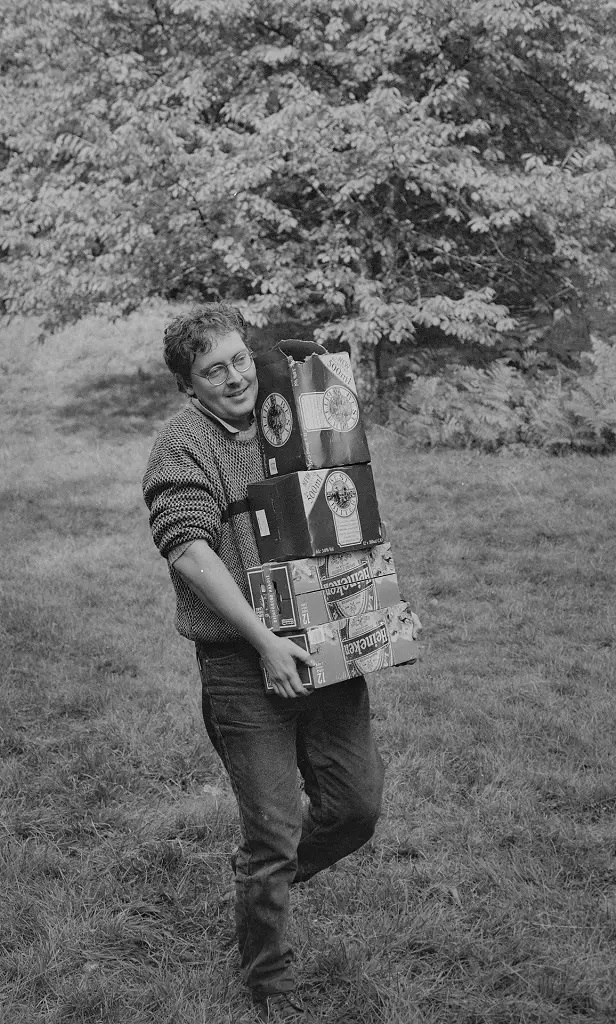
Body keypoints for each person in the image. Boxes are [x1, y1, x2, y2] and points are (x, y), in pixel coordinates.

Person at [142, 302, 385, 1023]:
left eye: (240, 359)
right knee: (275, 829)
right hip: (243, 662)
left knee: (356, 807)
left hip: (326, 641)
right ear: (191, 387)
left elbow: (345, 479)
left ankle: (261, 881)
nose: (235, 376)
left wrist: (324, 371)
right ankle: (268, 977)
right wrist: (263, 643)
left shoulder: (291, 414)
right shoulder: (182, 447)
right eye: (212, 370)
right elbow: (189, 550)